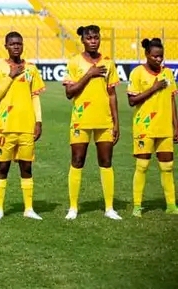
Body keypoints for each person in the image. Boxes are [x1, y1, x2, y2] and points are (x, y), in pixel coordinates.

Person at [63, 25, 121, 220]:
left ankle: (110, 208)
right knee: (77, 161)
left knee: (106, 162)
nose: (93, 41)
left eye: (96, 38)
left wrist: (116, 122)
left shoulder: (109, 63)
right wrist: (89, 74)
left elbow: (112, 94)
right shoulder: (74, 62)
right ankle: (73, 208)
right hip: (81, 120)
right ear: (83, 40)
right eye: (89, 38)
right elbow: (69, 93)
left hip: (104, 121)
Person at [0, 32, 45, 221]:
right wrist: (10, 76)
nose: (16, 47)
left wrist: (38, 121)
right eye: (12, 44)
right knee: (3, 167)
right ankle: (0, 209)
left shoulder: (31, 68)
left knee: (26, 168)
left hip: (26, 126)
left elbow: (35, 96)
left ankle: (29, 209)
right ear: (6, 46)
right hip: (5, 126)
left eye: (19, 43)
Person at [127, 38, 178, 216]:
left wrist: (176, 126)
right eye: (155, 56)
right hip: (144, 127)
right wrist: (154, 88)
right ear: (147, 54)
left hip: (165, 128)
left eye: (161, 56)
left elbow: (172, 100)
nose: (159, 59)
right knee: (142, 165)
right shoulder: (137, 73)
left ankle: (171, 205)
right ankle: (137, 206)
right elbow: (132, 101)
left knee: (168, 166)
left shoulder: (169, 74)